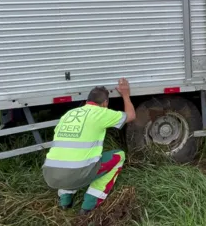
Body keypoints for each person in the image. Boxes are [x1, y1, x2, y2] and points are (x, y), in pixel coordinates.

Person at [42, 78, 136, 215]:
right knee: (119, 156)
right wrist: (126, 95)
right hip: (76, 174)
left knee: (70, 157)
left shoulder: (68, 114)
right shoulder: (101, 113)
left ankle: (65, 200)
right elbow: (131, 115)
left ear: (87, 101)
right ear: (105, 103)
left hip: (50, 175)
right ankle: (89, 204)